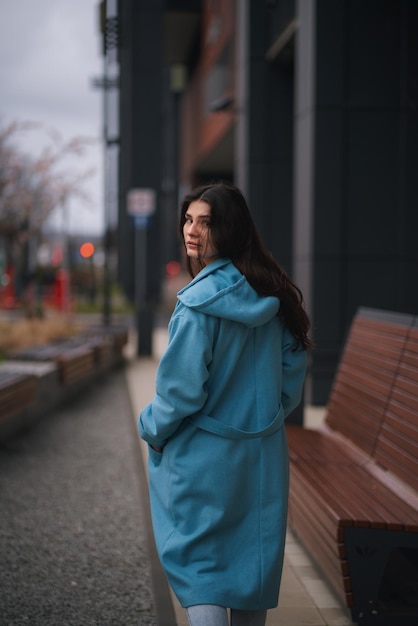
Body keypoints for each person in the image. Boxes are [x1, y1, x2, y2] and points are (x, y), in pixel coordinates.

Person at [138, 182, 312, 626]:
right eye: (189, 219)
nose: (191, 231)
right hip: (262, 457)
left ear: (229, 229)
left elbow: (179, 394)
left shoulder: (197, 305)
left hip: (205, 458)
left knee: (203, 569)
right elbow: (292, 371)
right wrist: (265, 417)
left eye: (206, 222)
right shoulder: (273, 294)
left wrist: (151, 430)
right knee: (250, 568)